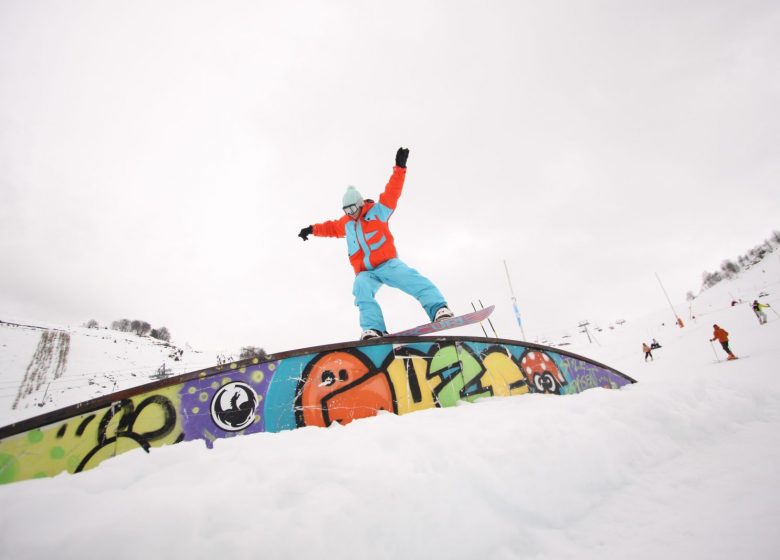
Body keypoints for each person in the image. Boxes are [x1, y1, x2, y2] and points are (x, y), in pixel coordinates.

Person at [298, 147, 452, 340]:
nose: (351, 213)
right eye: (346, 210)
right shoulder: (346, 223)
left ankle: (439, 308)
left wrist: (400, 167)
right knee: (360, 288)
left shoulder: (379, 211)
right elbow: (329, 228)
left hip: (387, 264)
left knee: (411, 279)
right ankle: (374, 329)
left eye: (353, 207)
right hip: (366, 272)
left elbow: (392, 191)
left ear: (361, 203)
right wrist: (311, 229)